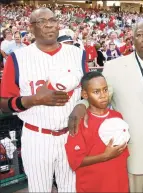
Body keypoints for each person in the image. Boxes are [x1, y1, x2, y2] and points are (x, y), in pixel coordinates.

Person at [67, 19, 143, 192]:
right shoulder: (114, 67)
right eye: (140, 35)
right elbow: (99, 94)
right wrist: (80, 105)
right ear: (132, 39)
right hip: (130, 151)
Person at [0, 7, 87, 192]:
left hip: (71, 134)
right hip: (37, 136)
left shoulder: (77, 53)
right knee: (39, 189)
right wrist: (33, 100)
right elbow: (4, 104)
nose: (48, 25)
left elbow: (88, 92)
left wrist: (82, 106)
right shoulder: (17, 58)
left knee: (72, 189)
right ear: (31, 28)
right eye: (41, 21)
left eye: (53, 20)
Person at [65, 71, 129, 192]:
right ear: (85, 94)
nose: (103, 95)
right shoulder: (79, 122)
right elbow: (75, 160)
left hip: (118, 184)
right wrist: (105, 156)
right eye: (96, 92)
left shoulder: (117, 116)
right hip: (92, 186)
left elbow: (123, 155)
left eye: (105, 90)